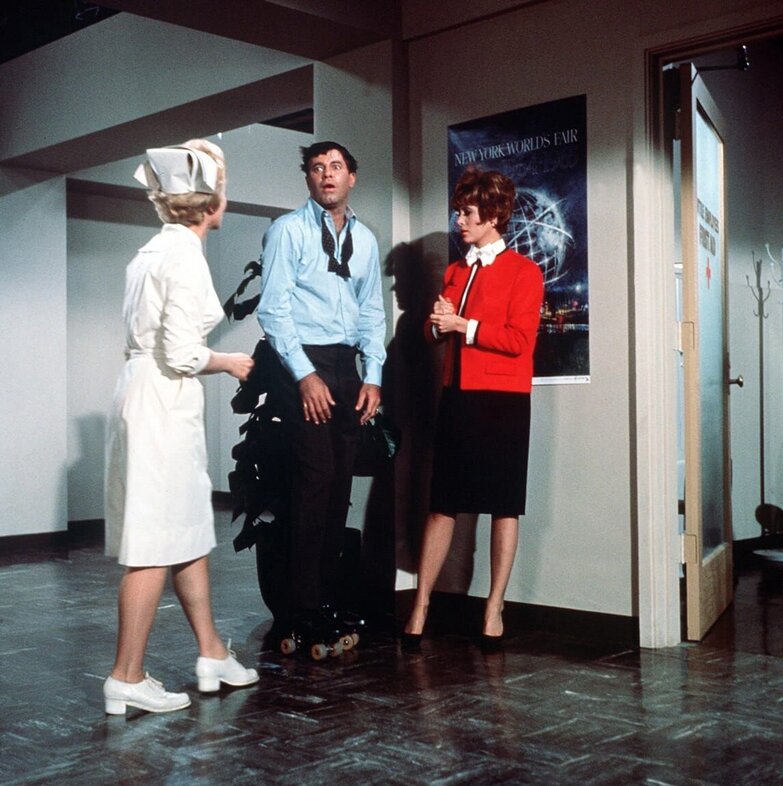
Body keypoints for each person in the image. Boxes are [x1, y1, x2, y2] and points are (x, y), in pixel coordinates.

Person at [103, 140, 259, 716]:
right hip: (163, 399)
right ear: (210, 201)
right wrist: (231, 361)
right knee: (153, 539)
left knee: (186, 527)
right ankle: (126, 676)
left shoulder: (152, 251)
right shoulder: (185, 258)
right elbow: (184, 353)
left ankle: (212, 651)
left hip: (145, 392)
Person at [402, 167, 544, 650]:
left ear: (493, 215)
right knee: (442, 505)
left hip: (504, 403)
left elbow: (519, 341)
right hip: (457, 398)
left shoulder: (526, 272)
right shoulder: (456, 271)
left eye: (467, 212)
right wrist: (437, 323)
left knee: (504, 508)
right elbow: (431, 333)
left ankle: (493, 607)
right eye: (459, 212)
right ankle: (421, 605)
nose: (459, 221)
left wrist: (464, 325)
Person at [257, 141, 386, 638]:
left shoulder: (365, 240)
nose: (327, 175)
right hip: (303, 363)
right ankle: (301, 609)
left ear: (351, 177)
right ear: (308, 178)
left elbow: (371, 311)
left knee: (339, 485)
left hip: (346, 366)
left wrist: (373, 375)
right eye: (317, 168)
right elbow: (273, 309)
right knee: (313, 482)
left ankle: (326, 598)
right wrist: (304, 375)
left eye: (335, 167)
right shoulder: (288, 231)